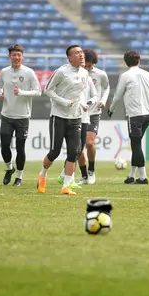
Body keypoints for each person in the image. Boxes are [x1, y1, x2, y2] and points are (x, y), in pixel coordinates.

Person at [37, 44, 89, 196]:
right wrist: (63, 101)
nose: (81, 55)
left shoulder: (85, 73)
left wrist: (82, 105)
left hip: (76, 118)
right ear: (70, 58)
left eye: (82, 52)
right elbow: (47, 90)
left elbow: (78, 94)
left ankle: (66, 186)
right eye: (77, 53)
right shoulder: (61, 71)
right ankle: (42, 175)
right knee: (54, 152)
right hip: (59, 117)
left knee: (74, 153)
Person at [108, 49, 149, 184]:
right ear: (139, 60)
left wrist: (111, 109)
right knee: (136, 145)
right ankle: (131, 175)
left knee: (136, 146)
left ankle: (143, 177)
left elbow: (118, 95)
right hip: (147, 114)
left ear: (126, 62)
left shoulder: (125, 76)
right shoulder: (148, 74)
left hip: (134, 115)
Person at [0, 44, 41, 186]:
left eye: (19, 55)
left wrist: (22, 93)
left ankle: (19, 177)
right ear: (9, 56)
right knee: (4, 146)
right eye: (14, 55)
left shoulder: (29, 72)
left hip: (23, 116)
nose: (16, 57)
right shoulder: (4, 72)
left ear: (22, 56)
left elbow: (38, 91)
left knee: (20, 148)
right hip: (6, 114)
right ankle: (9, 169)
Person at [59, 71, 97, 185]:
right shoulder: (69, 78)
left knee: (78, 149)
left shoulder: (88, 79)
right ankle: (69, 179)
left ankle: (64, 175)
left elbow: (95, 96)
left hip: (84, 118)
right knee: (75, 149)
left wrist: (89, 102)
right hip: (73, 116)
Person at [83, 48, 110, 185]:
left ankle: (91, 171)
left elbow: (107, 88)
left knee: (89, 142)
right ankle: (82, 175)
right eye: (85, 65)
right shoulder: (76, 73)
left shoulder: (100, 74)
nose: (87, 67)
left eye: (90, 65)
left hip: (93, 112)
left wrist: (103, 100)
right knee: (77, 147)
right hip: (78, 113)